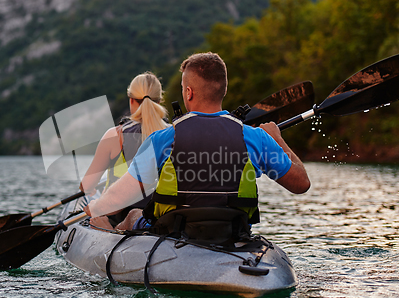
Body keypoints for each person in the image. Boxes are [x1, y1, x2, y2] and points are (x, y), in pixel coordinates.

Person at [84, 52, 310, 232]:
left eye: (183, 89)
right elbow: (301, 184)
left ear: (189, 92)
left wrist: (95, 208)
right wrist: (278, 139)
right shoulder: (255, 137)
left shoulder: (162, 140)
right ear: (223, 90)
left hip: (173, 232)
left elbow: (119, 196)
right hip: (233, 231)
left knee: (133, 215)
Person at [79, 72, 169, 228]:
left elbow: (86, 185)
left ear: (131, 100)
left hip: (118, 218)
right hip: (160, 217)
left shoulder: (114, 135)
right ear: (160, 101)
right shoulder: (173, 133)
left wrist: (92, 191)